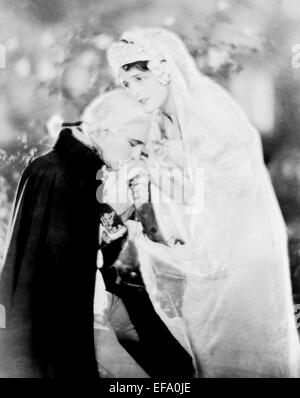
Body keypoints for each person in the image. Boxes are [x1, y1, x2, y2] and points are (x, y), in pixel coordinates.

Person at [107, 28, 300, 377]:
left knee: (235, 342)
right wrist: (151, 172)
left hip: (240, 248)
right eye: (126, 84)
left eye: (139, 78)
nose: (134, 91)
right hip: (207, 247)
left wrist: (163, 168)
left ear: (163, 69)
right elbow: (186, 192)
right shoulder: (161, 122)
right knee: (203, 332)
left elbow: (233, 182)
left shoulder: (205, 106)